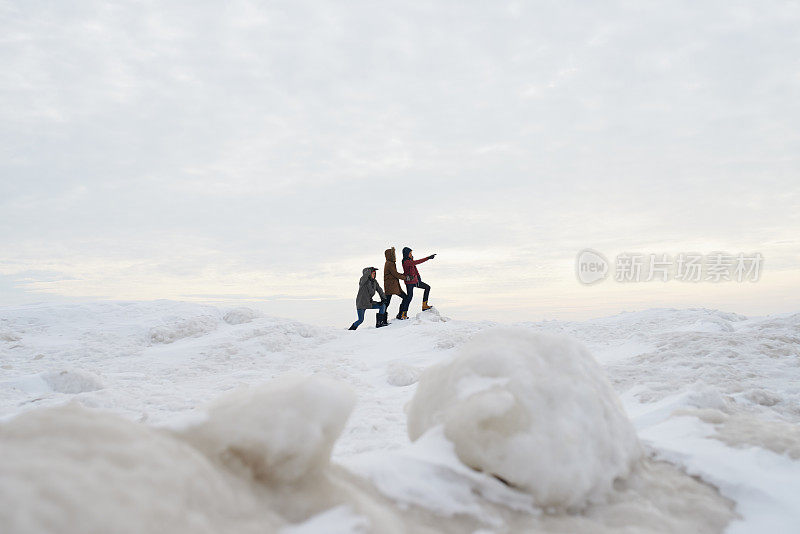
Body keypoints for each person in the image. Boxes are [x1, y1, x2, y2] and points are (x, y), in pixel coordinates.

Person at [399, 247, 436, 319]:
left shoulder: (410, 260)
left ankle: (424, 305)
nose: (411, 254)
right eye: (410, 253)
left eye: (411, 253)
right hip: (409, 282)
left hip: (415, 281)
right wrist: (427, 258)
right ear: (406, 254)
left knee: (427, 287)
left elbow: (415, 269)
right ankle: (403, 314)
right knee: (409, 297)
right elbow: (417, 262)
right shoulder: (406, 261)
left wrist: (418, 277)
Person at [383, 247, 408, 320]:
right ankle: (400, 314)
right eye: (393, 254)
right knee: (405, 298)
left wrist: (403, 275)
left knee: (387, 302)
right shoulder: (390, 263)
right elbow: (395, 274)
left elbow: (394, 274)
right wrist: (406, 277)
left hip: (391, 285)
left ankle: (382, 319)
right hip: (392, 286)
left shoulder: (389, 263)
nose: (394, 256)